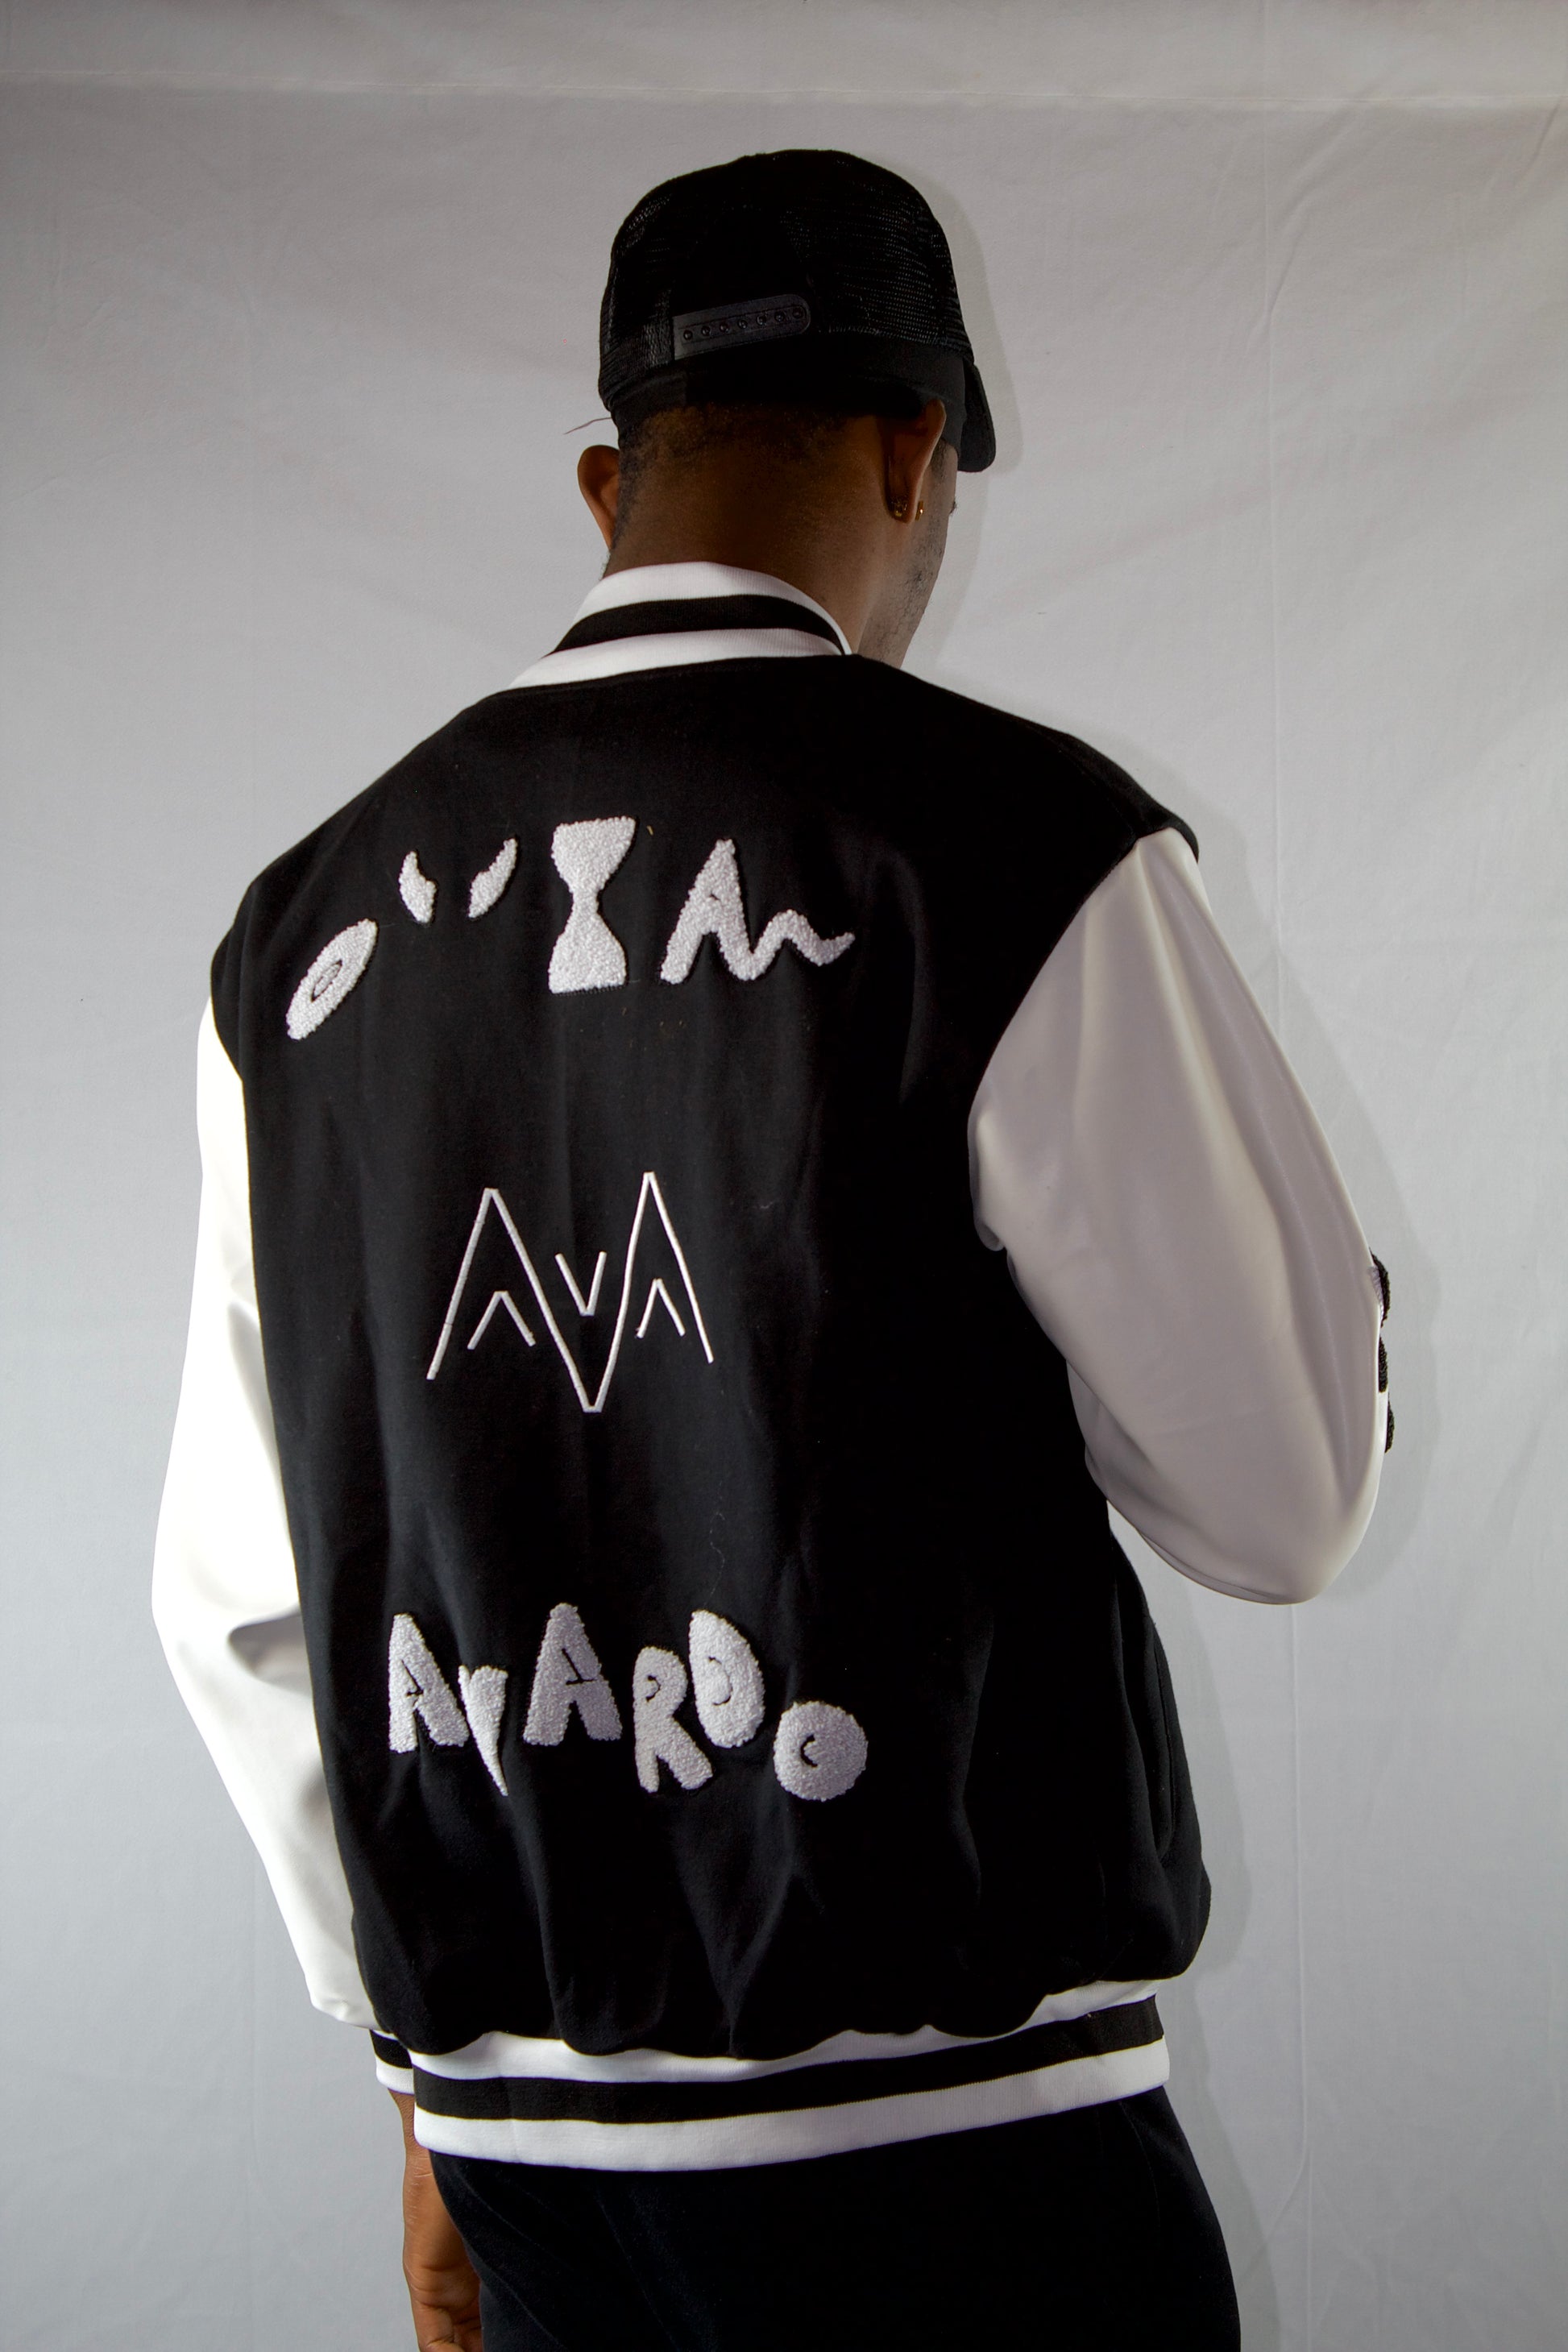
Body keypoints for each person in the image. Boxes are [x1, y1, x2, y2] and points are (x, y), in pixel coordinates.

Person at [153, 149, 1392, 2350]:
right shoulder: (1013, 844)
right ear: (915, 453)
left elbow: (240, 1600)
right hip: (963, 2146)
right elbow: (1282, 1502)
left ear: (604, 479)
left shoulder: (302, 929)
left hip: (538, 2165)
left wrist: (421, 2079)